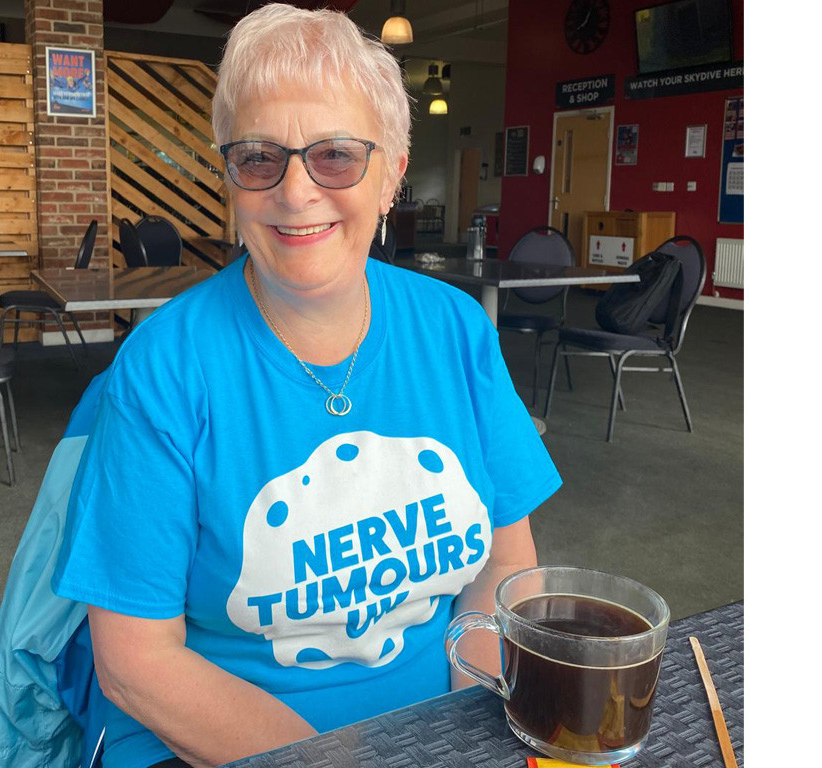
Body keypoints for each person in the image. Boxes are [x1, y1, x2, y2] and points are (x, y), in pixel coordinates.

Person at [52, 5, 561, 767]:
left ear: (392, 175)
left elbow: (506, 565)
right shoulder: (165, 367)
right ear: (230, 176)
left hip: (442, 721)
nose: (295, 192)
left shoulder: (454, 328)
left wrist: (466, 725)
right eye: (259, 158)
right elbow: (136, 661)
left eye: (336, 156)